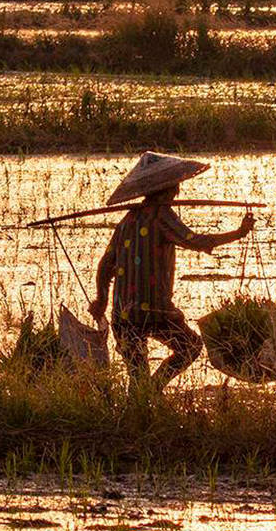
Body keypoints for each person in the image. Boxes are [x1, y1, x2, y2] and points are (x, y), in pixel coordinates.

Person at [89, 150, 254, 387]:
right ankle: (154, 390)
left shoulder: (128, 220)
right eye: (175, 186)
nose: (177, 191)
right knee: (190, 347)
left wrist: (101, 299)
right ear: (167, 189)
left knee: (137, 376)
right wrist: (238, 233)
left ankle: (142, 403)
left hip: (122, 314)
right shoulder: (161, 215)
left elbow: (106, 264)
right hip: (153, 312)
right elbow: (195, 241)